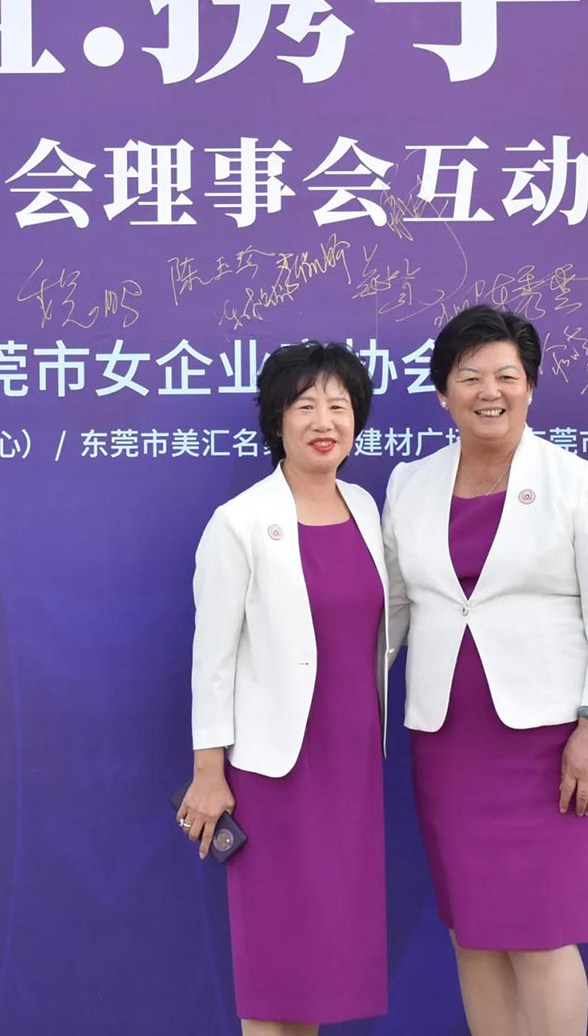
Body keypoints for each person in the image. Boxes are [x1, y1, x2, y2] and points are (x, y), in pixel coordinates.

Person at [383, 306, 588, 1036]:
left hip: (552, 744)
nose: (489, 391)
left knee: (540, 932)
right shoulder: (411, 484)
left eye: (506, 375)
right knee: (472, 929)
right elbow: (394, 608)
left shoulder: (578, 482)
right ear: (444, 391)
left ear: (530, 386)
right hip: (449, 741)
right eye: (469, 376)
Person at [177, 342, 390, 1036]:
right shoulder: (238, 522)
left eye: (339, 406)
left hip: (352, 767)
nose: (324, 422)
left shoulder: (365, 507)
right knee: (276, 966)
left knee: (328, 962)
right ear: (277, 421)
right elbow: (212, 659)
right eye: (305, 406)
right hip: (274, 773)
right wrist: (209, 772)